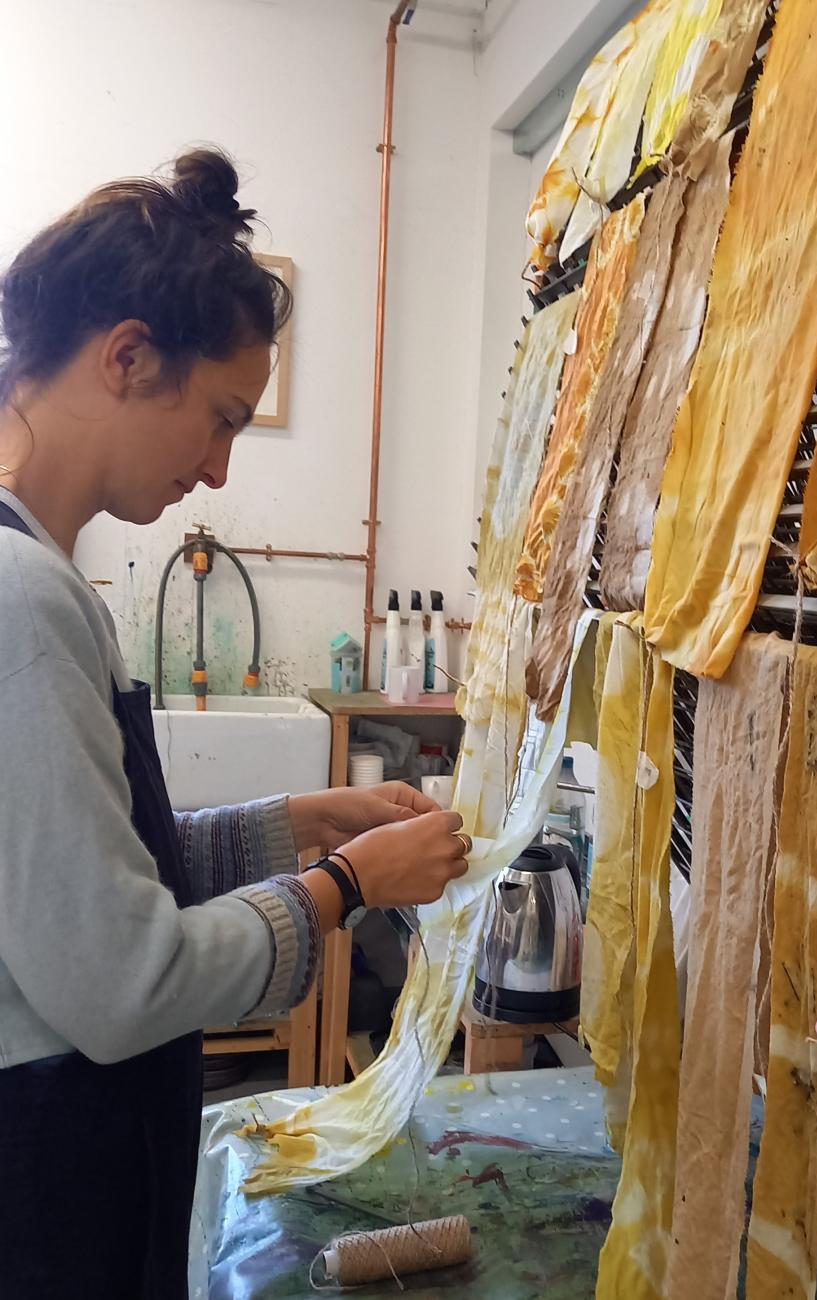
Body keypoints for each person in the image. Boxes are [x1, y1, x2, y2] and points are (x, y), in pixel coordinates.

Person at [0, 148, 469, 1299]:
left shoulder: (48, 578)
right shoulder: (21, 600)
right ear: (125, 357)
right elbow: (127, 975)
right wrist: (348, 883)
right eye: (218, 419)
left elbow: (108, 878)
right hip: (44, 1172)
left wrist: (314, 816)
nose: (216, 468)